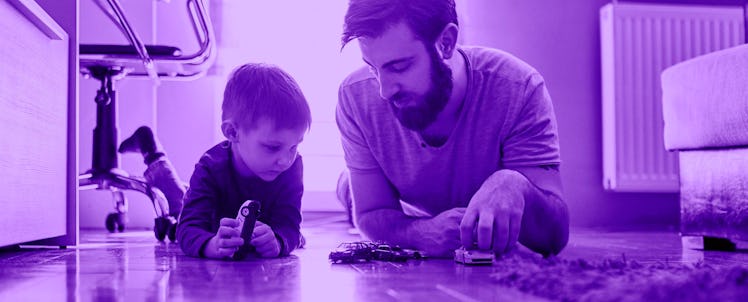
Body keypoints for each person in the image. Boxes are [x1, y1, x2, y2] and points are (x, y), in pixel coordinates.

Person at [335, 0, 569, 258]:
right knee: (350, 193)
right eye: (372, 68)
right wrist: (421, 233)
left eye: (399, 67)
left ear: (446, 43)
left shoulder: (519, 88)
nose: (384, 91)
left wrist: (516, 184)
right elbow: (369, 214)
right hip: (406, 207)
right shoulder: (355, 97)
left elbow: (554, 237)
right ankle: (348, 183)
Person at [122, 63, 311, 259]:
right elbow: (189, 228)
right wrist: (211, 245)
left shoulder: (292, 165)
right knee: (177, 206)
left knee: (183, 194)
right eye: (272, 147)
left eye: (294, 147)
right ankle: (152, 152)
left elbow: (289, 225)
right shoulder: (211, 166)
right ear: (232, 132)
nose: (285, 160)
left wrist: (279, 241)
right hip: (208, 220)